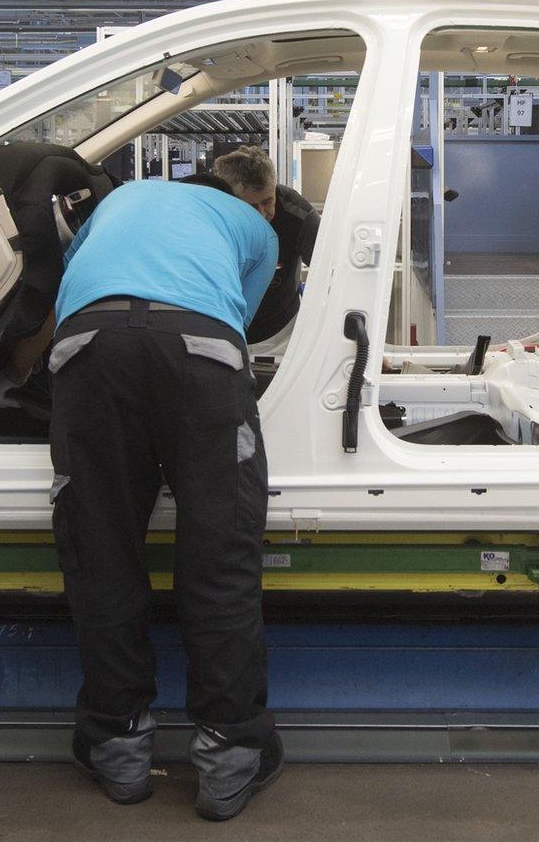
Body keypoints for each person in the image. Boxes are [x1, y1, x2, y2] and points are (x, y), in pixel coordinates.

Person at [47, 171, 283, 821]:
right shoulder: (256, 230)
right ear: (243, 202)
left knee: (101, 551)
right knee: (219, 551)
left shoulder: (118, 204)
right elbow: (241, 318)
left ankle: (117, 746)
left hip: (88, 346)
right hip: (201, 347)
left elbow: (79, 278)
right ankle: (229, 756)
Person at [211, 146, 321, 344]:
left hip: (280, 333)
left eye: (268, 201)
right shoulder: (209, 214)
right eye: (251, 207)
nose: (263, 213)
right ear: (227, 198)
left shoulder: (298, 216)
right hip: (219, 330)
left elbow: (332, 273)